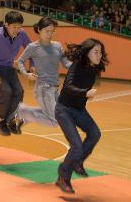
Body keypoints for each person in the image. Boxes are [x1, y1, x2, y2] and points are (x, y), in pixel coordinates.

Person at [54, 38, 109, 194]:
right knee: (77, 146)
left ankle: (77, 162)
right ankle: (63, 177)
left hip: (79, 110)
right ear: (87, 53)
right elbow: (68, 86)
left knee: (95, 134)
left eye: (101, 52)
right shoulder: (77, 65)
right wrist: (85, 93)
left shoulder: (95, 68)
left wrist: (84, 96)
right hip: (64, 110)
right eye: (96, 52)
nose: (99, 55)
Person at [16, 17, 71, 127]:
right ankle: (21, 110)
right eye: (47, 31)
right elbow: (20, 61)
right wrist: (26, 74)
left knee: (57, 115)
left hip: (55, 88)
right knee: (56, 121)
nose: (50, 34)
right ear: (39, 30)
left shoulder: (57, 46)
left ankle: (24, 112)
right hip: (43, 88)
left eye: (52, 31)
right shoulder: (33, 47)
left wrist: (78, 66)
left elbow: (66, 63)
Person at [0, 11, 32, 136]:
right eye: (14, 27)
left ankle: (10, 119)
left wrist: (32, 65)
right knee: (6, 91)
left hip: (8, 68)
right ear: (6, 24)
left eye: (19, 27)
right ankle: (0, 122)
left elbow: (31, 49)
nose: (17, 30)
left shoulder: (22, 34)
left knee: (19, 91)